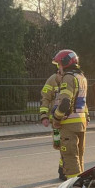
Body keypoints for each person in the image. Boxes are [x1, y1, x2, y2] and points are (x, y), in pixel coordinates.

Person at [51, 49, 88, 180]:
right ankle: (81, 186)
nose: (58, 68)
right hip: (81, 124)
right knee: (79, 157)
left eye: (58, 65)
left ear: (65, 63)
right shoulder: (81, 77)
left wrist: (56, 117)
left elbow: (65, 103)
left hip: (69, 126)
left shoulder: (68, 77)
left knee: (71, 159)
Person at [39, 64, 65, 180]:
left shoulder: (71, 78)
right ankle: (63, 168)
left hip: (69, 120)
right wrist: (44, 116)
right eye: (60, 73)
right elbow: (45, 98)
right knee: (59, 144)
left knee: (68, 146)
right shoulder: (51, 80)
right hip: (55, 121)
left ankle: (63, 170)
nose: (62, 75)